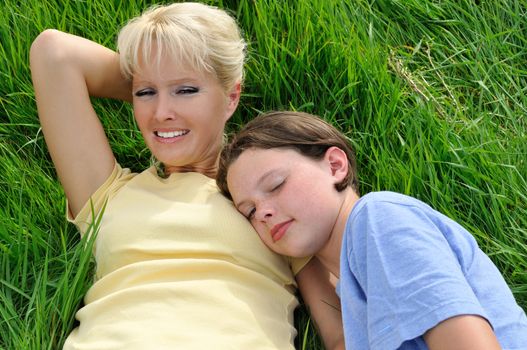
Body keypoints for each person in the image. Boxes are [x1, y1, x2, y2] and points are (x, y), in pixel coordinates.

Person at [30, 3, 343, 349]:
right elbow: (54, 53)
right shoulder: (107, 195)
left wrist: (167, 82)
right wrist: (159, 78)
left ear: (231, 97)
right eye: (145, 93)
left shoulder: (271, 202)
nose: (162, 113)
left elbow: (340, 333)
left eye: (186, 90)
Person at [216, 110, 527, 350]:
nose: (264, 212)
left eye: (276, 184)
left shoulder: (378, 220)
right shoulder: (354, 291)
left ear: (335, 166)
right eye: (251, 211)